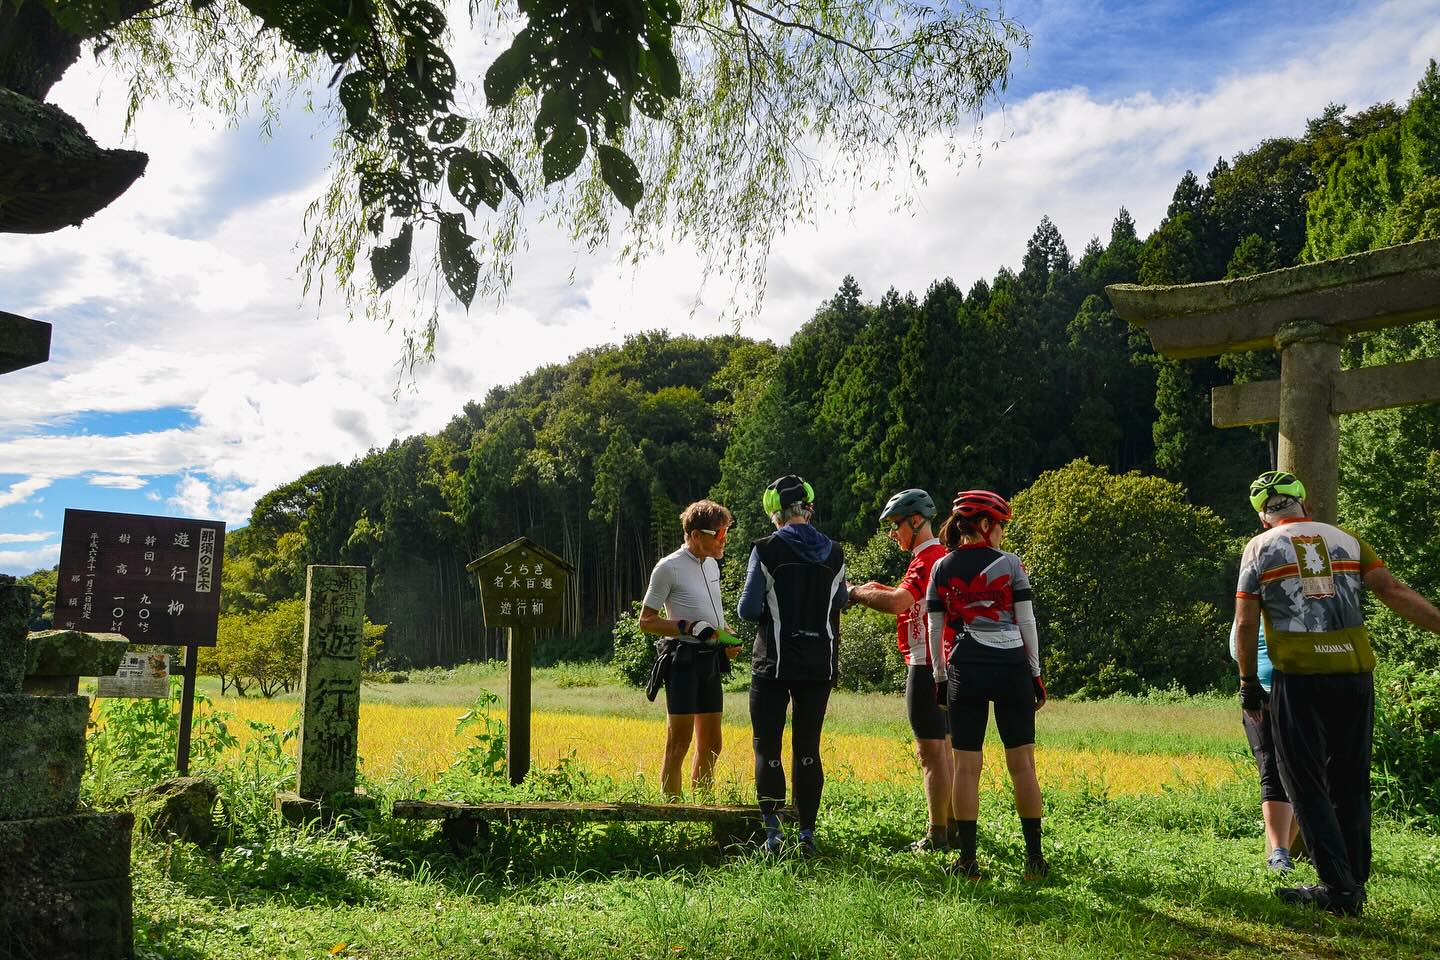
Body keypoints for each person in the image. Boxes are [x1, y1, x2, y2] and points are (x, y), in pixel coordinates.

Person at [1235, 470, 1440, 917]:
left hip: (1299, 674)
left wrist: (1249, 684)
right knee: (1350, 778)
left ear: (1262, 517)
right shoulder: (1347, 539)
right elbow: (1393, 591)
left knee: (1303, 780)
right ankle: (1355, 878)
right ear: (1304, 504)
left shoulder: (1259, 548)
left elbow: (1247, 622)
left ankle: (1338, 889)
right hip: (1354, 671)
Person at [926, 490, 1048, 880]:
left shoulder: (942, 567)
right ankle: (1034, 862)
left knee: (966, 767)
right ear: (984, 525)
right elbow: (1027, 622)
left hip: (967, 668)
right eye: (999, 526)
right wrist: (1035, 673)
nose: (1001, 534)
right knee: (1023, 765)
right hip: (1012, 666)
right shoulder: (1011, 564)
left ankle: (968, 863)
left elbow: (935, 627)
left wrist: (940, 678)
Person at [738, 474, 848, 857]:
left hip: (773, 663)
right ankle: (807, 835)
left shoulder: (765, 549)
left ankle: (772, 836)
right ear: (808, 509)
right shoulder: (835, 552)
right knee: (808, 749)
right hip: (819, 665)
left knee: (766, 746)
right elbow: (839, 603)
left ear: (776, 513)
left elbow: (748, 608)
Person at [847, 488, 955, 851]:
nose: (893, 534)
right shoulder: (938, 555)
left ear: (916, 521)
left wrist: (855, 593)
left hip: (926, 665)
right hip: (948, 662)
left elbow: (898, 603)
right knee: (947, 747)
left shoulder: (927, 559)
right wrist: (873, 587)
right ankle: (952, 825)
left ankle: (936, 833)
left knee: (930, 751)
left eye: (896, 526)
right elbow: (908, 595)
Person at [639, 499, 741, 799]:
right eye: (719, 534)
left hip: (711, 660)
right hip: (682, 661)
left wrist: (726, 638)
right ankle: (671, 813)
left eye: (726, 532)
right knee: (679, 742)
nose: (724, 539)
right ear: (696, 535)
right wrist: (686, 626)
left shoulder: (711, 565)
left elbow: (712, 613)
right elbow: (646, 621)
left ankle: (705, 809)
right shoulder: (668, 568)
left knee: (712, 744)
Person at [1227, 619, 1297, 872]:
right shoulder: (1254, 595)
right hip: (1261, 693)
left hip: (1294, 692)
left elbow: (1236, 648)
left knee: (1295, 771)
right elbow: (1238, 644)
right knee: (1274, 769)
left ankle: (1283, 853)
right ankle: (1280, 853)